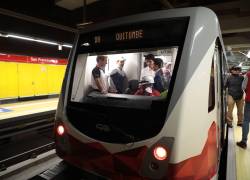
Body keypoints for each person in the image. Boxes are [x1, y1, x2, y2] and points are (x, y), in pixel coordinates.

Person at [236, 69, 250, 149]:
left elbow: (243, 87)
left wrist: (248, 92)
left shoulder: (248, 74)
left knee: (246, 120)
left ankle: (244, 142)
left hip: (249, 101)